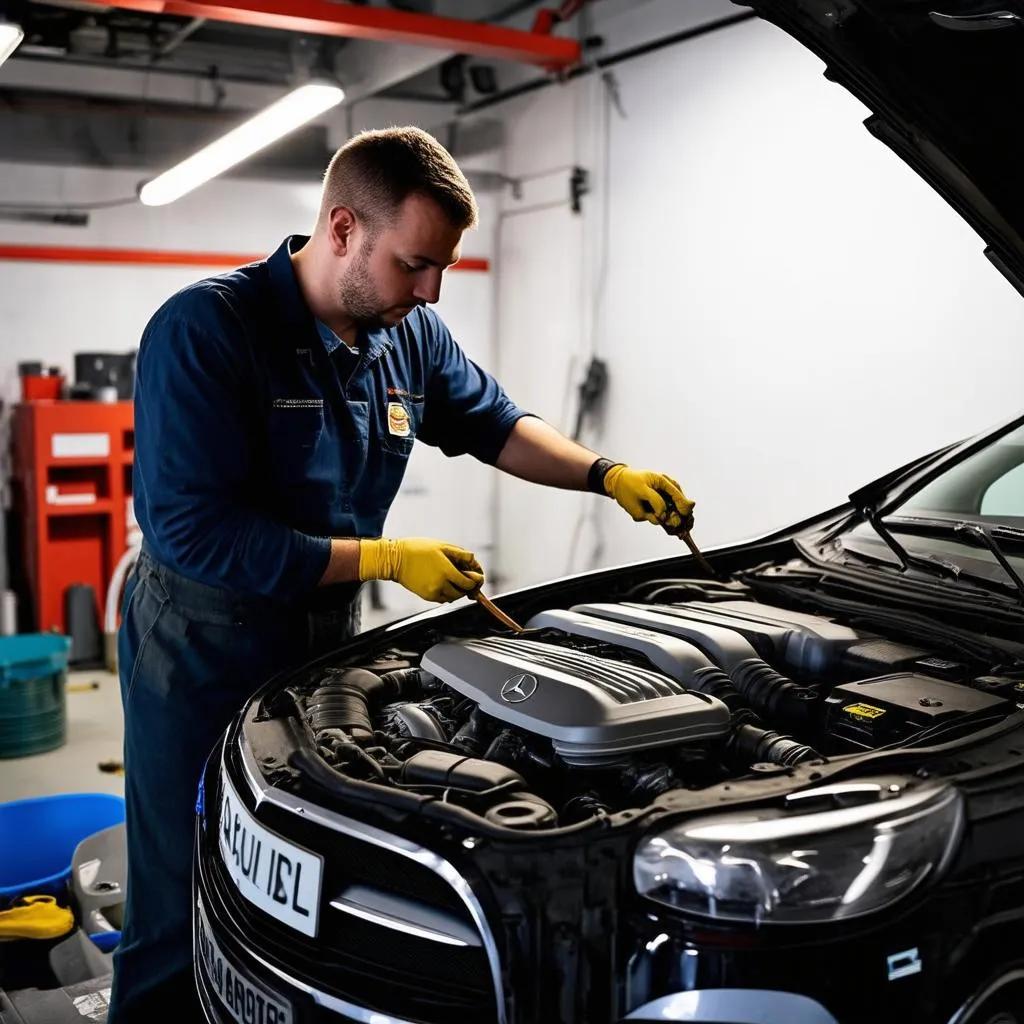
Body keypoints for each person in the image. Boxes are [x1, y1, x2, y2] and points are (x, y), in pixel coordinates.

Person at [108, 125, 695, 1022]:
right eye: (414, 264)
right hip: (198, 645)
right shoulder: (207, 329)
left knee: (291, 867)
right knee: (181, 887)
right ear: (342, 229)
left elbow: (492, 422)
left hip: (317, 639)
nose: (429, 292)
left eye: (442, 271)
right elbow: (194, 533)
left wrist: (604, 474)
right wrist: (384, 558)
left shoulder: (406, 335)